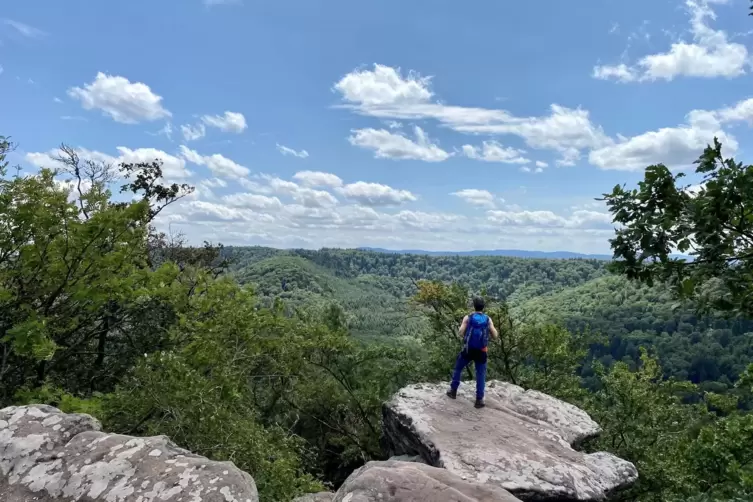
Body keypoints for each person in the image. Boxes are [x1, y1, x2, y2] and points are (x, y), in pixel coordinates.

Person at [446, 297, 499, 408]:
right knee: (480, 374)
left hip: (468, 349)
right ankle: (479, 400)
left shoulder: (468, 317)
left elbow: (460, 332)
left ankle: (453, 391)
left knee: (458, 368)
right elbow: (495, 336)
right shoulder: (488, 319)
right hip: (482, 351)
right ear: (483, 307)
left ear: (474, 306)